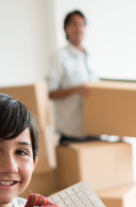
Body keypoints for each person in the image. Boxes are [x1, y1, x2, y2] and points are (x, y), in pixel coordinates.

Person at [47, 10, 99, 142]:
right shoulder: (59, 56)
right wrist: (75, 90)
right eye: (75, 24)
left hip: (95, 130)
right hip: (72, 133)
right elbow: (50, 93)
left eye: (82, 24)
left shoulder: (90, 57)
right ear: (66, 29)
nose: (79, 28)